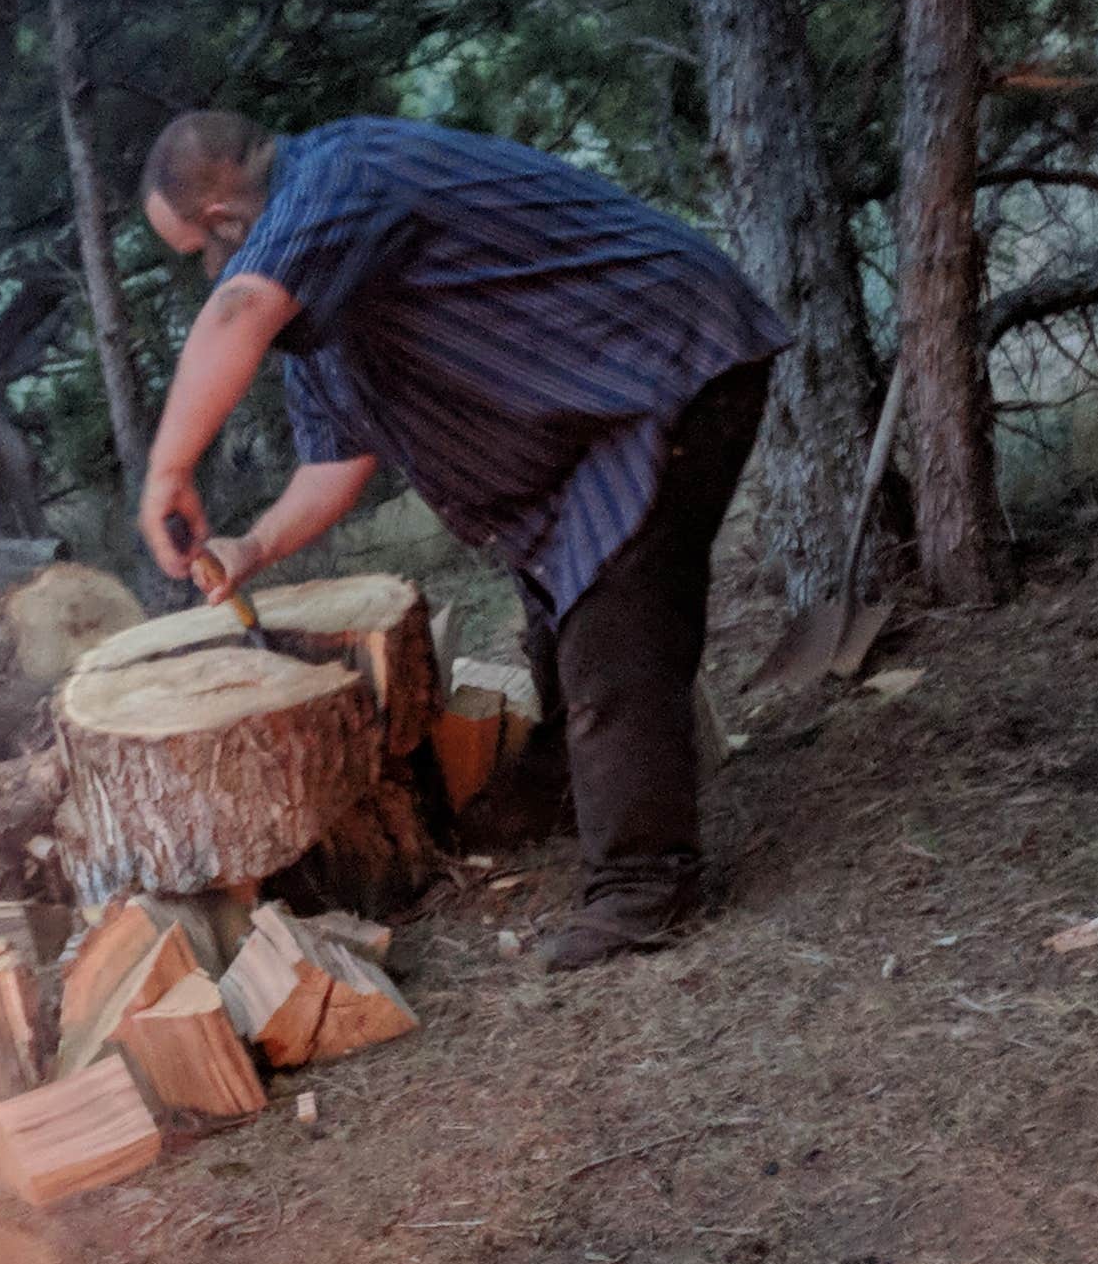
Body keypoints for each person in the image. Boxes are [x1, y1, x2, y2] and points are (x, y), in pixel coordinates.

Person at [136, 110, 786, 969]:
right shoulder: (319, 309)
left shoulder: (345, 172)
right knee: (566, 603)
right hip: (590, 422)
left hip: (658, 357)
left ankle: (644, 886)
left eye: (199, 253)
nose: (211, 273)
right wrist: (253, 547)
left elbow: (235, 311)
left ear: (224, 220)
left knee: (615, 629)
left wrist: (168, 470)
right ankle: (568, 785)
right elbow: (339, 463)